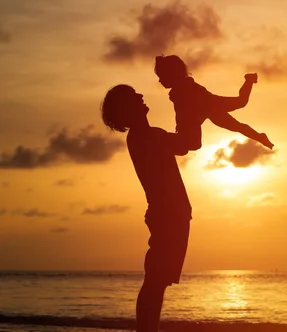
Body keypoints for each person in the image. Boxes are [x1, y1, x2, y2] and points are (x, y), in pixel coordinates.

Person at [100, 84, 193, 332]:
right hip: (168, 217)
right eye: (133, 96)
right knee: (155, 281)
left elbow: (186, 144)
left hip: (169, 215)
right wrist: (184, 105)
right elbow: (189, 143)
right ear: (126, 109)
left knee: (157, 281)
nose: (140, 96)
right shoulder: (148, 136)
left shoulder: (147, 135)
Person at [154, 54, 274, 151]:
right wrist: (181, 127)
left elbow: (182, 111)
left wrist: (181, 127)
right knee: (236, 122)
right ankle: (259, 136)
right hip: (207, 109)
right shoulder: (180, 90)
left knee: (240, 105)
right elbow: (182, 112)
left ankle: (249, 79)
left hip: (211, 105)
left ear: (171, 74)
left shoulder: (182, 90)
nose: (160, 80)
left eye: (161, 76)